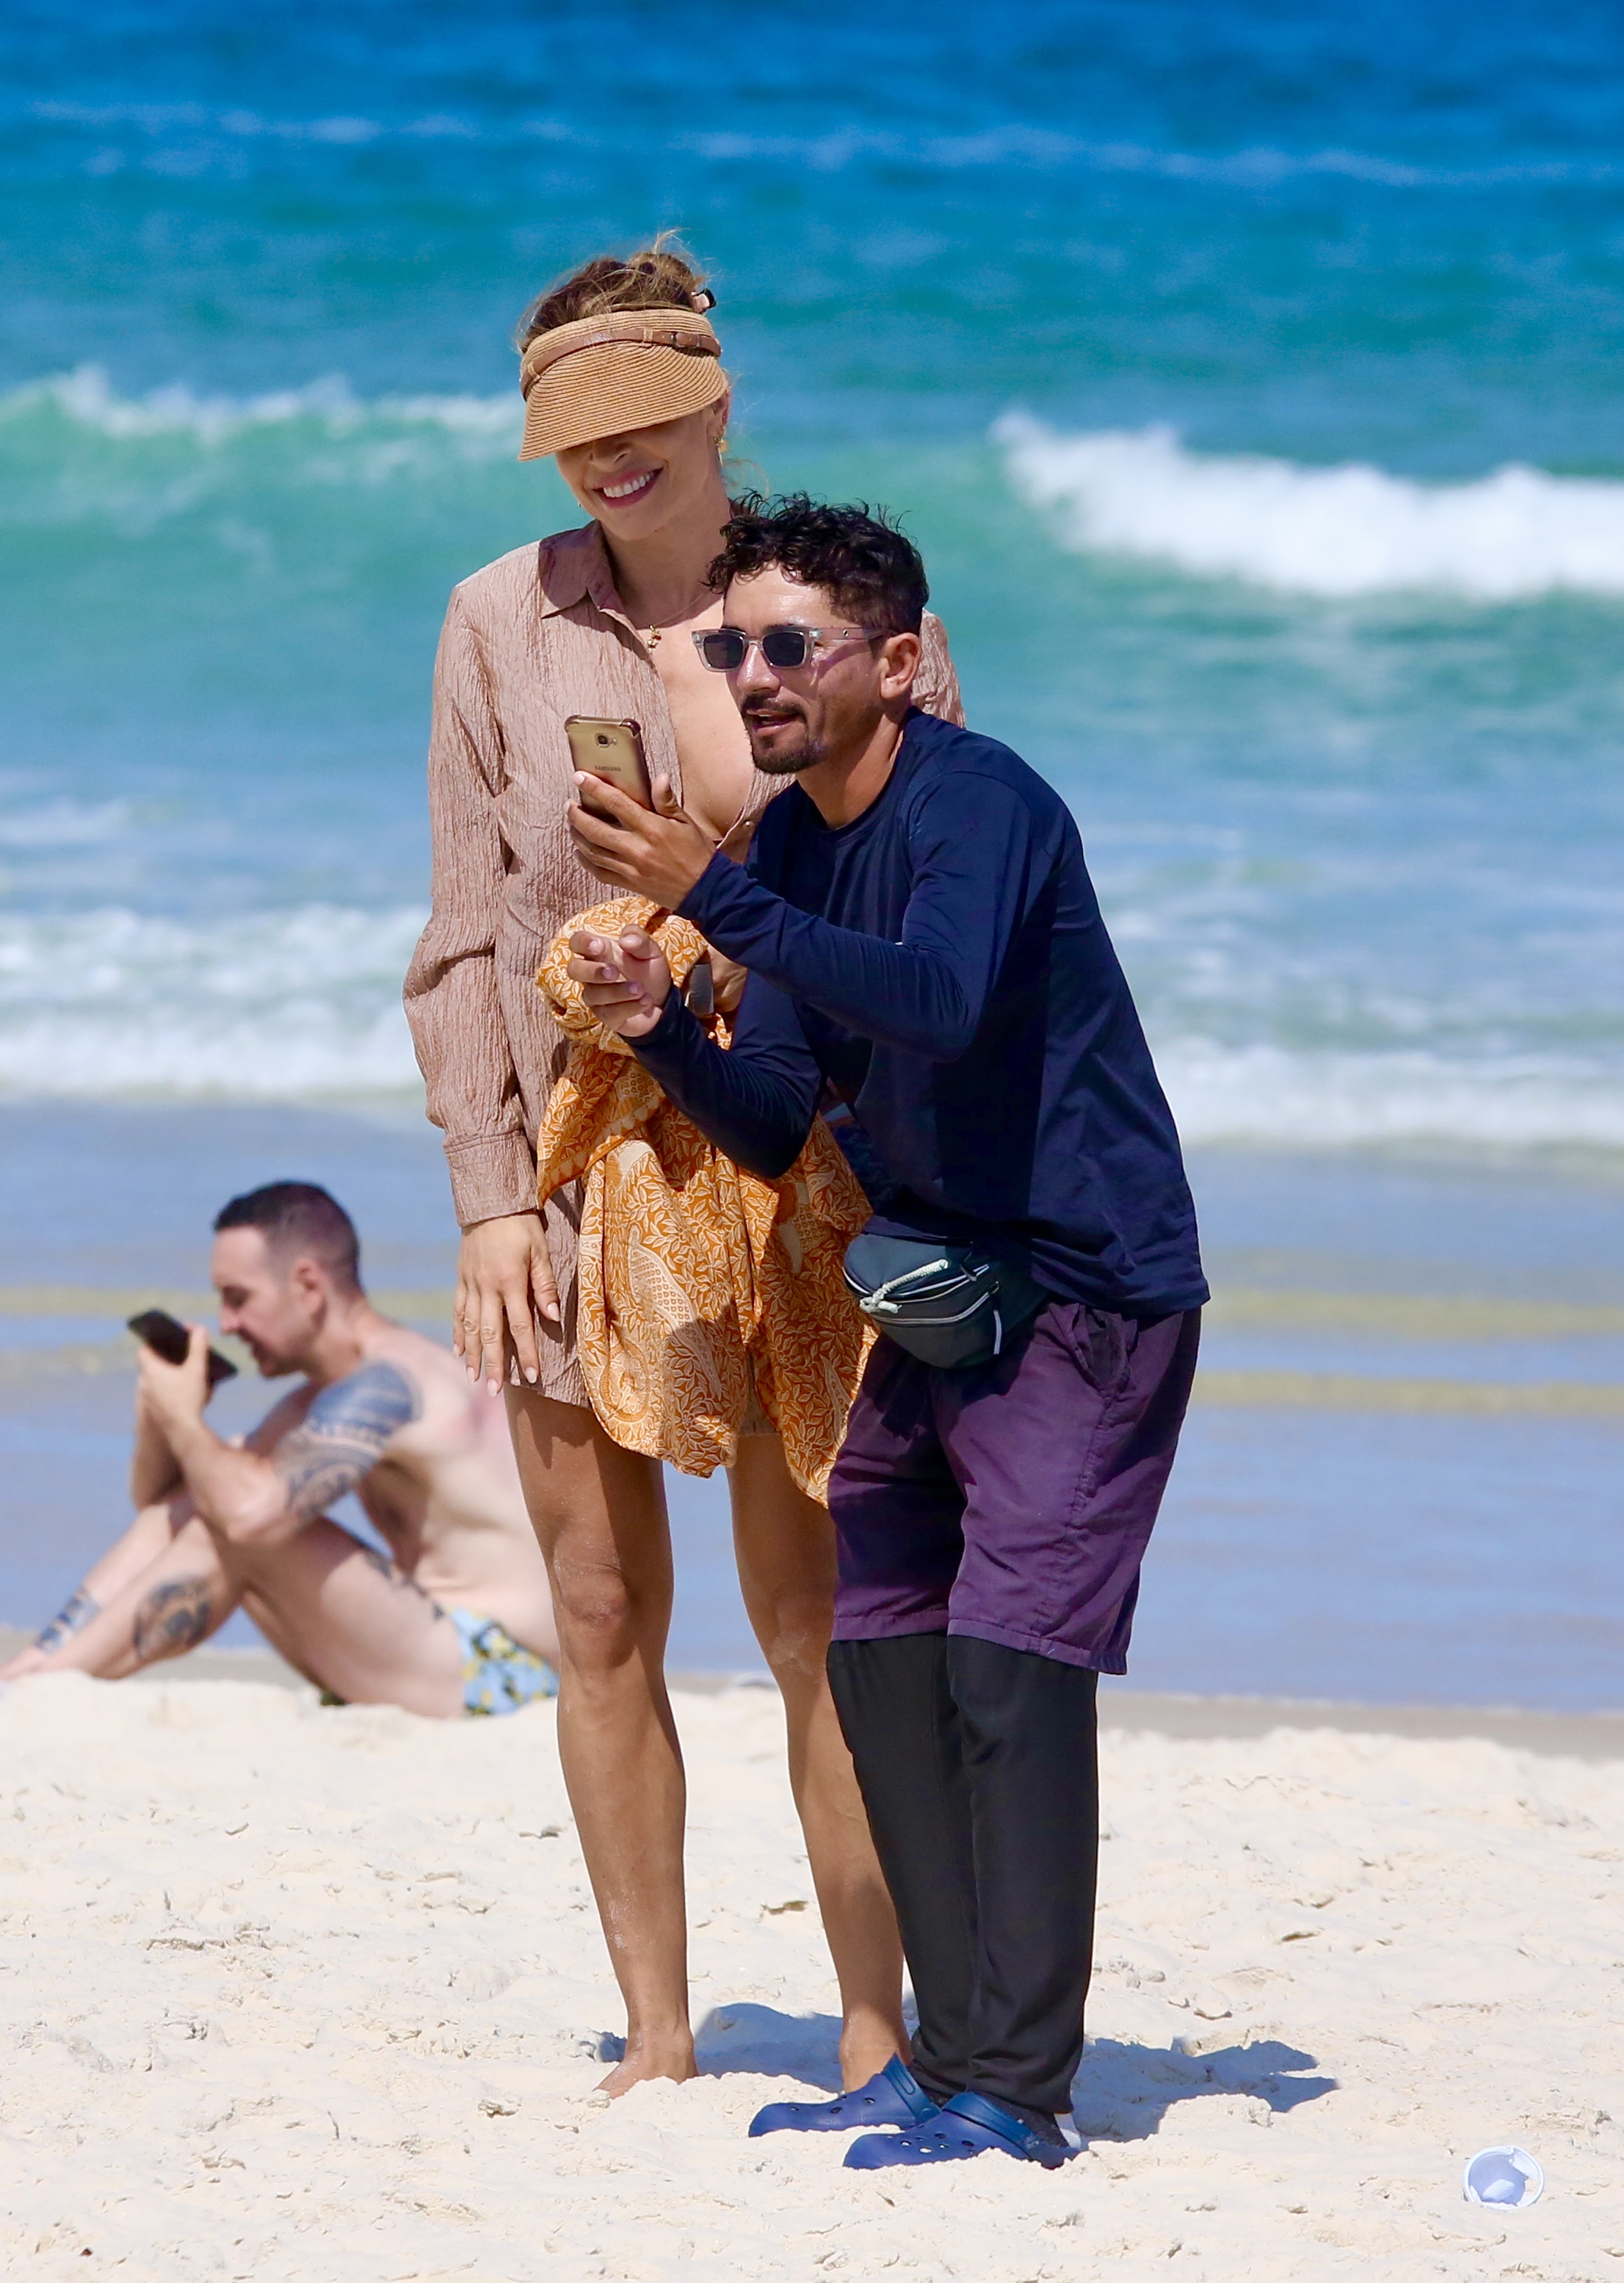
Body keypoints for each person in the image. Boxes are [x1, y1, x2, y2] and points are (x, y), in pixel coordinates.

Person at [565, 496, 1208, 2168]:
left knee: (1011, 1665)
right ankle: (944, 2056)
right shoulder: (787, 844)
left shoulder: (981, 804)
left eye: (793, 645)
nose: (755, 677)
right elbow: (780, 1118)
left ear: (902, 663)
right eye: (732, 649)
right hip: (936, 1290)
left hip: (1087, 1291)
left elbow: (936, 993)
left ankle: (1018, 2083)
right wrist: (660, 1034)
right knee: (883, 1655)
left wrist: (715, 888)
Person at [402, 241, 966, 2096]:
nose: (608, 461)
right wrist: (491, 1198)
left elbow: (929, 903)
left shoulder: (841, 611)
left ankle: (878, 2031)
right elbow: (470, 930)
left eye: (641, 422)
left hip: (797, 1158)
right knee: (594, 1608)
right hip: (576, 1160)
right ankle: (660, 2035)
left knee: (817, 1618)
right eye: (572, 433)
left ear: (717, 403)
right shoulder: (499, 618)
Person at [0, 1183, 559, 1718]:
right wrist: (160, 1411)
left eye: (238, 1299)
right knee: (224, 1492)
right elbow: (162, 1499)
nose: (227, 1323)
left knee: (242, 1523)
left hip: (508, 1672)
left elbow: (245, 1519)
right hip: (439, 1653)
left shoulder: (390, 1383)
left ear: (309, 1287)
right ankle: (34, 1671)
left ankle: (41, 1689)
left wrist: (183, 1418)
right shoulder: (327, 1395)